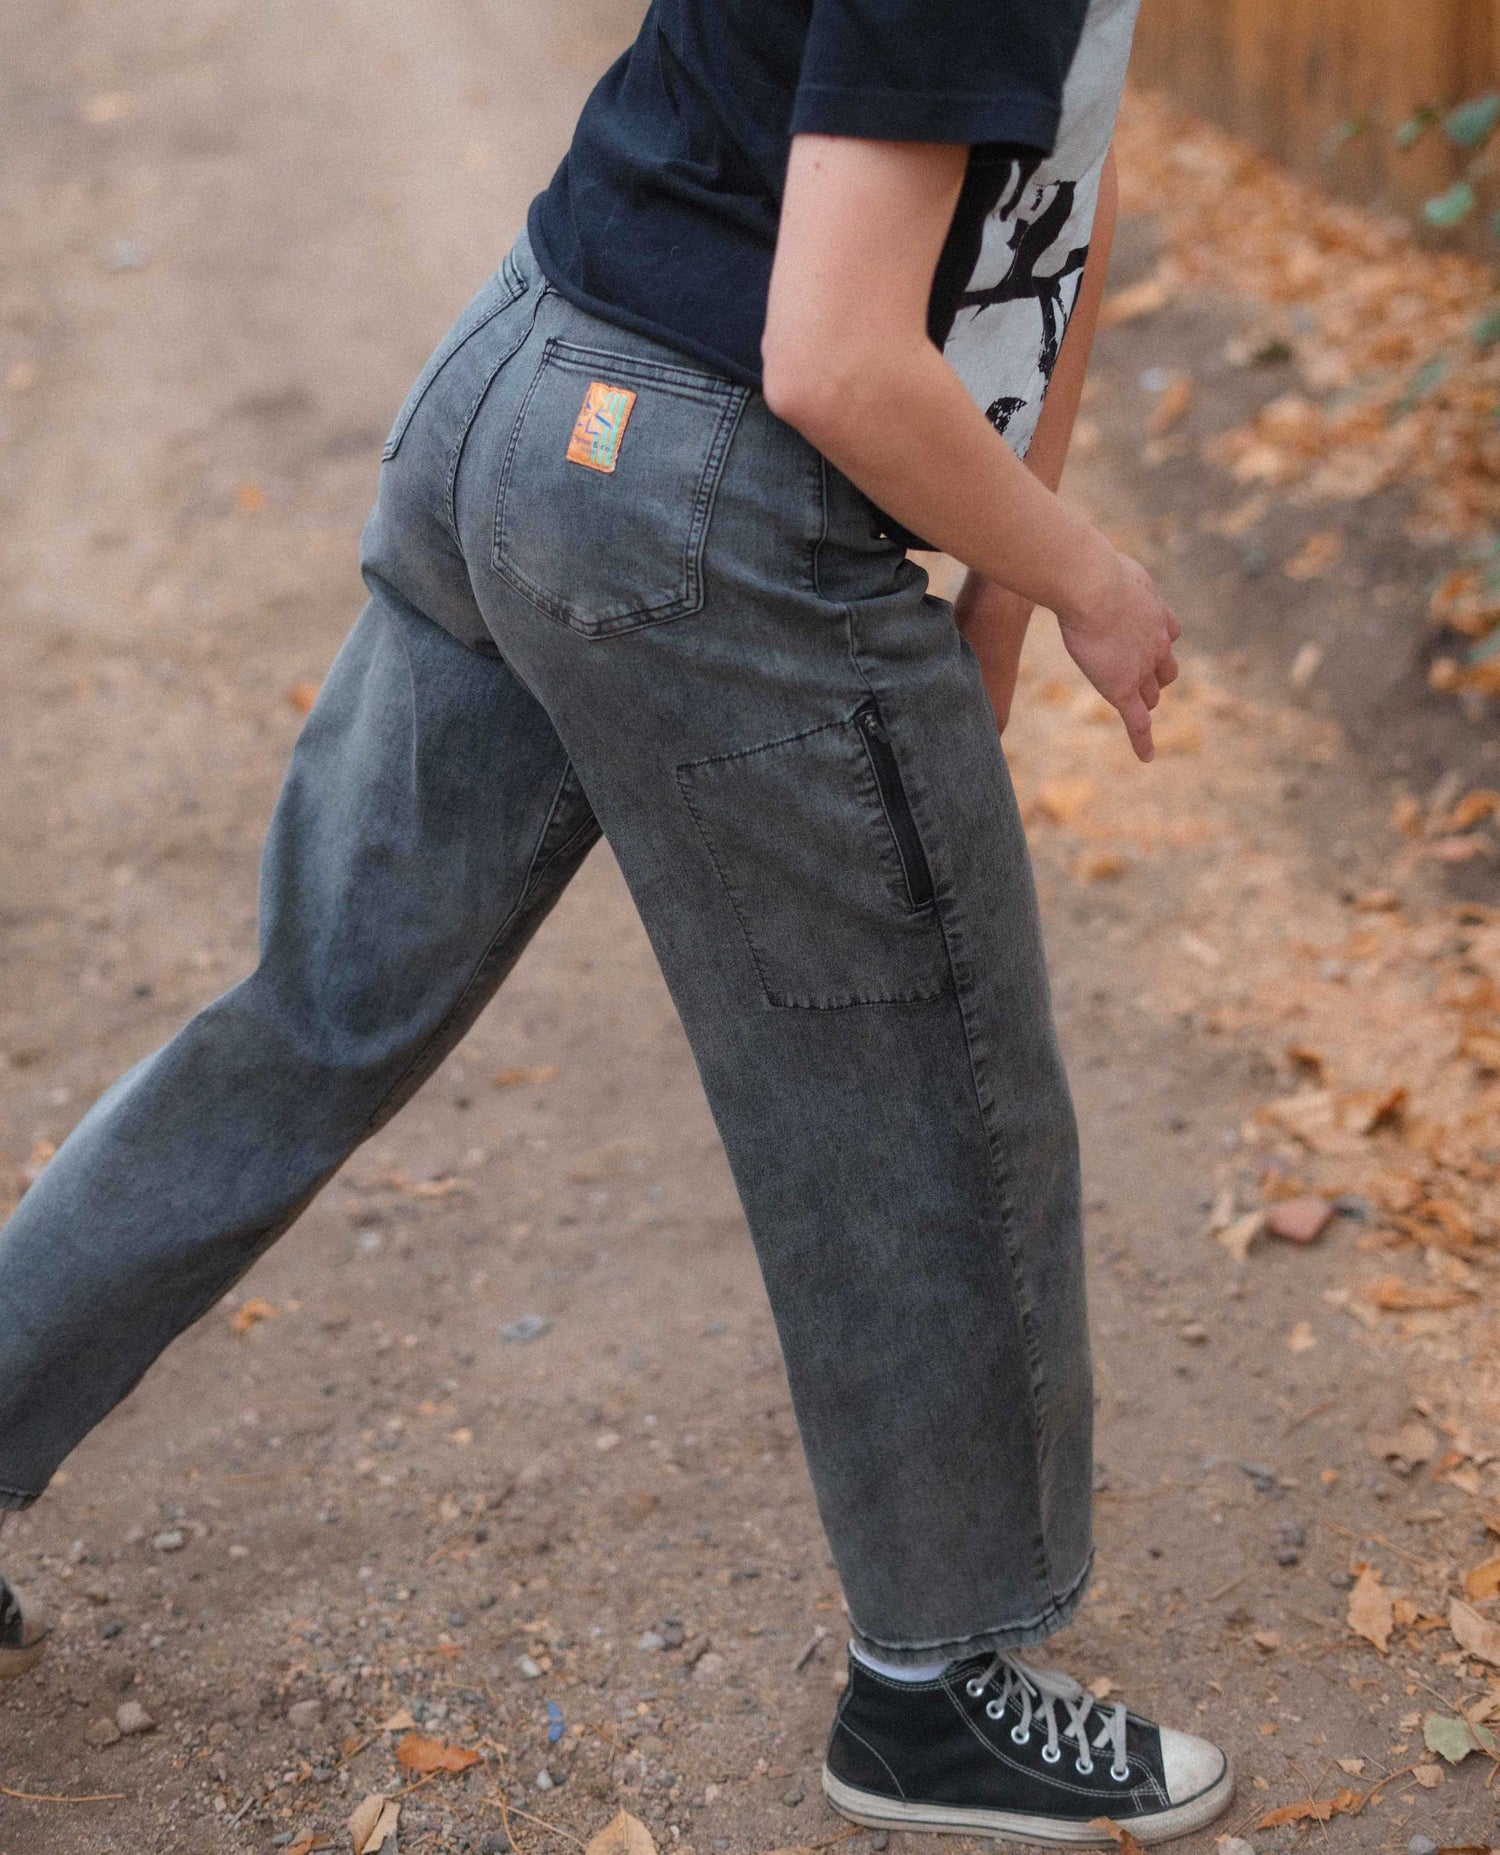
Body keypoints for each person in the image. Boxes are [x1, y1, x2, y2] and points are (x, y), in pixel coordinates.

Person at [0, 0, 1231, 1840]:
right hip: (696, 490)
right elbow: (831, 356)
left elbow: (1061, 151)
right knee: (926, 1082)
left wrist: (993, 573)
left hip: (518, 377)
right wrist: (1085, 577)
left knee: (311, 1016)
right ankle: (935, 1687)